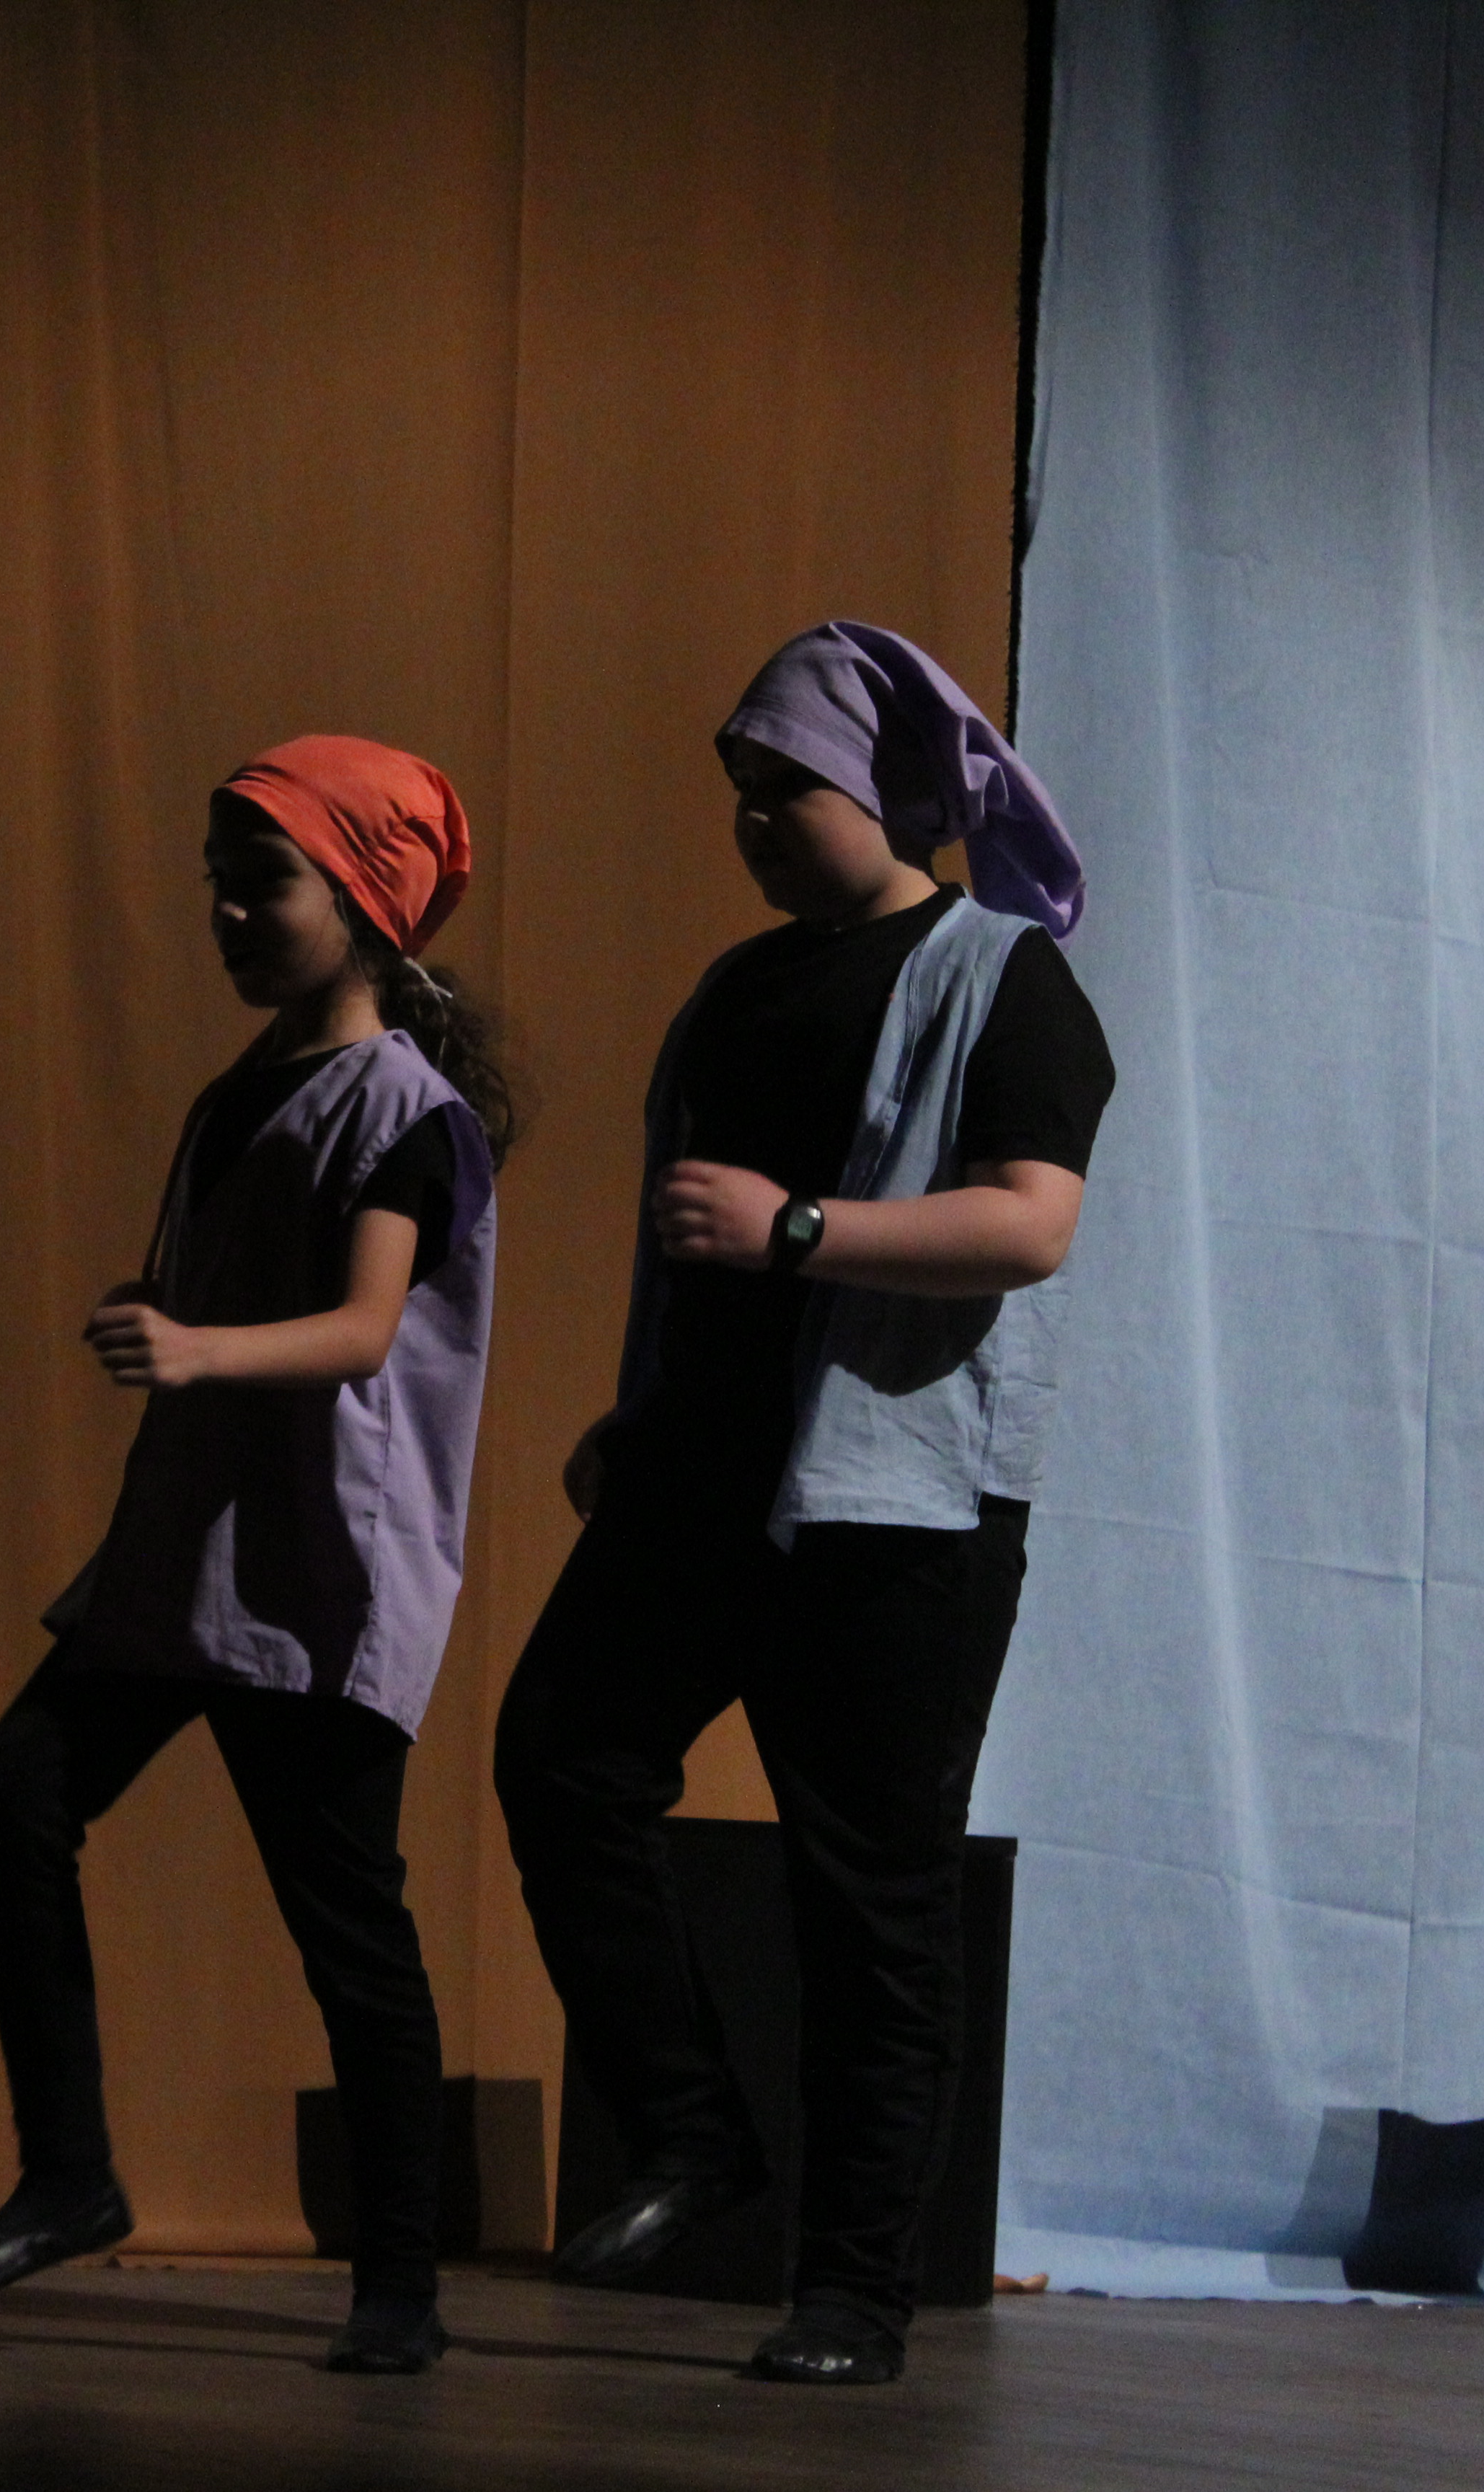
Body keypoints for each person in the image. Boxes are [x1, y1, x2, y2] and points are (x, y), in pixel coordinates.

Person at [495, 622, 1112, 2387]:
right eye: (743, 792)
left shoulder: (1004, 976)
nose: (757, 821)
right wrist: (645, 1412)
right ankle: (694, 2130)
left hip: (895, 1505)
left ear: (890, 792)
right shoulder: (735, 988)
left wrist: (798, 1226)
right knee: (563, 1758)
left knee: (871, 1898)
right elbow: (689, 1246)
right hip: (707, 1470)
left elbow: (1030, 1224)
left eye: (792, 789)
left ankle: (854, 2291)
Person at [0, 738, 513, 2375]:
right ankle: (71, 2170)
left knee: (350, 1931)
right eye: (221, 882)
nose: (233, 912)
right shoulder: (236, 1091)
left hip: (316, 1572)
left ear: (367, 900)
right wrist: (169, 1312)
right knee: (12, 1797)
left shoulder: (407, 1111)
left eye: (267, 882)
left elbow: (365, 1328)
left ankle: (401, 2284)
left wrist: (192, 1347)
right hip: (193, 1554)